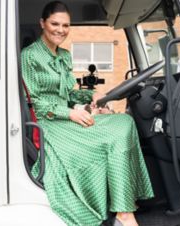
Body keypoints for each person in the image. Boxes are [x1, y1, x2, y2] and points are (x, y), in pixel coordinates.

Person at [21, 1, 154, 226]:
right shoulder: (30, 56)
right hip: (51, 124)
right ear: (42, 23)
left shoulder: (63, 55)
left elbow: (68, 92)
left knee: (123, 122)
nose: (60, 30)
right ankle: (123, 213)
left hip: (66, 115)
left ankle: (124, 203)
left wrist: (90, 96)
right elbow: (36, 103)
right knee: (117, 131)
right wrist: (70, 114)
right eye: (55, 23)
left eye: (65, 25)